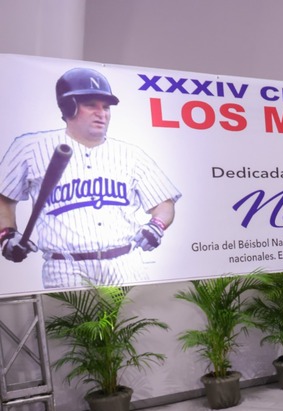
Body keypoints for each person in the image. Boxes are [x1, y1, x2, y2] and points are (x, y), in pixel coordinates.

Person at [0, 67, 181, 288]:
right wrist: (7, 234)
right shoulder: (30, 148)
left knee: (137, 312)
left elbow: (164, 203)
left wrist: (157, 224)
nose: (101, 113)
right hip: (65, 267)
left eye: (106, 107)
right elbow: (4, 197)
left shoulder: (131, 154)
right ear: (69, 107)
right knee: (74, 313)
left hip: (125, 264)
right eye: (91, 105)